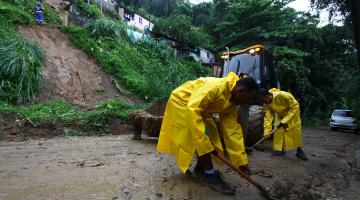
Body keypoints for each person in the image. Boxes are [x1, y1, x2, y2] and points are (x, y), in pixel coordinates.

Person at [157, 72, 259, 195]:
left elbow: (232, 130)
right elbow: (193, 110)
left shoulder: (233, 103)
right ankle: (210, 175)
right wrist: (204, 140)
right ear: (241, 91)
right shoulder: (215, 87)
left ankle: (201, 169)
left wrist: (241, 161)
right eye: (248, 98)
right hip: (182, 103)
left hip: (198, 109)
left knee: (211, 137)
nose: (247, 102)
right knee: (202, 139)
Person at [259, 88, 308, 161]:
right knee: (278, 132)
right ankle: (279, 150)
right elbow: (268, 117)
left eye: (264, 100)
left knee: (296, 133)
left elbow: (295, 107)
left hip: (293, 115)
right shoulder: (266, 103)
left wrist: (284, 121)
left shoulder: (284, 95)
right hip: (280, 115)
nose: (264, 102)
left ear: (268, 96)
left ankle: (299, 151)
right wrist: (267, 132)